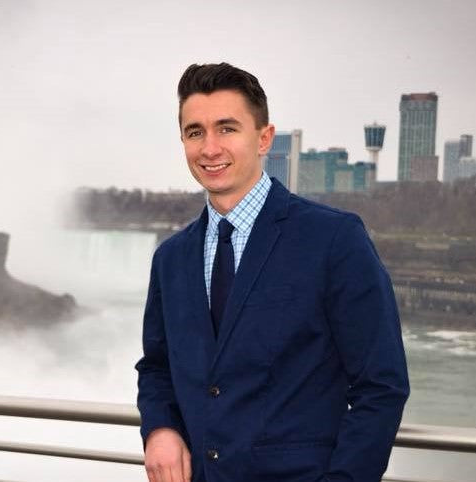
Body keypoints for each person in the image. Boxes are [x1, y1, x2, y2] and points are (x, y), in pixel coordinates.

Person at [135, 62, 410, 482]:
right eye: (195, 132)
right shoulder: (171, 257)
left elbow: (381, 385)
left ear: (264, 138)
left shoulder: (334, 239)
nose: (210, 148)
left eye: (227, 128)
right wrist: (160, 428)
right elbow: (157, 366)